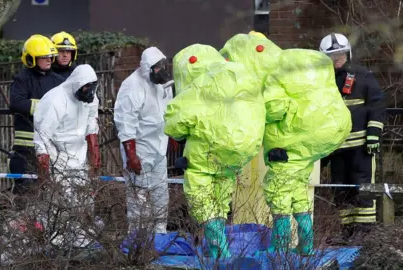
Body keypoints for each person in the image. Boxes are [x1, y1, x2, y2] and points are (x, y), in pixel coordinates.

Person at [221, 32, 352, 256]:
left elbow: (275, 108)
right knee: (299, 189)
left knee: (279, 191)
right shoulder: (293, 69)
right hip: (316, 138)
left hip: (287, 145)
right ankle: (306, 244)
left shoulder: (274, 74)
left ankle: (280, 247)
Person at [164, 44, 266, 259]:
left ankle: (220, 251)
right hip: (241, 149)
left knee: (200, 195)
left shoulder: (199, 86)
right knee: (221, 197)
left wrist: (181, 135)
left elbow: (175, 124)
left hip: (207, 150)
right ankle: (215, 249)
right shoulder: (241, 81)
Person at [319, 33, 386, 244]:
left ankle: (364, 232)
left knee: (363, 186)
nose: (337, 58)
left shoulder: (362, 75)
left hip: (361, 146)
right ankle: (346, 231)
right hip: (336, 146)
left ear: (348, 53)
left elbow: (377, 105)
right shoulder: (321, 81)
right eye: (332, 54)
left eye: (340, 53)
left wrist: (374, 133)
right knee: (341, 189)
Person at [33, 64, 101, 248]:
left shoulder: (91, 98)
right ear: (77, 84)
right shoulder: (56, 99)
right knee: (58, 203)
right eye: (86, 88)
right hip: (57, 153)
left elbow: (91, 124)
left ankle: (80, 243)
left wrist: (95, 153)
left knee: (84, 200)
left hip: (78, 154)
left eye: (92, 88)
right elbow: (42, 136)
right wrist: (45, 169)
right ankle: (56, 243)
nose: (89, 92)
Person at [113, 47, 173, 235]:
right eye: (157, 67)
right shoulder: (132, 86)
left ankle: (159, 234)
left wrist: (171, 135)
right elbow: (126, 121)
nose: (161, 70)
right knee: (139, 197)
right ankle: (139, 238)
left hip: (158, 147)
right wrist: (131, 154)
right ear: (148, 68)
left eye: (162, 66)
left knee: (160, 193)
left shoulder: (162, 85)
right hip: (140, 149)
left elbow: (168, 111)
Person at [8, 34, 65, 195]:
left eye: (50, 56)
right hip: (26, 147)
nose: (49, 60)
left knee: (51, 191)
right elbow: (17, 103)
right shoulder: (22, 79)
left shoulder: (58, 81)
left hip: (53, 145)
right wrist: (45, 106)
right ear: (31, 59)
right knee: (25, 190)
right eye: (44, 57)